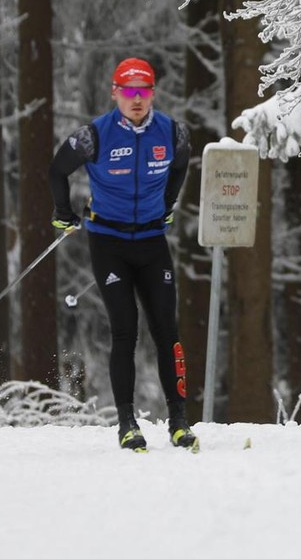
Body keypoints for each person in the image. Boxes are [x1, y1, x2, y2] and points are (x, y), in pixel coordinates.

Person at [50, 57, 195, 452]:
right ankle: (127, 423)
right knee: (125, 330)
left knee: (166, 330)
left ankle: (179, 421)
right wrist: (63, 212)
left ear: (153, 94)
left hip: (152, 243)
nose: (136, 99)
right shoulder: (94, 135)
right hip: (109, 243)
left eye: (143, 91)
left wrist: (168, 204)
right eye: (129, 91)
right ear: (115, 93)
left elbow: (181, 166)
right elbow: (57, 170)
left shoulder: (172, 132)